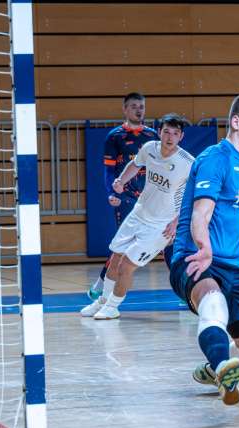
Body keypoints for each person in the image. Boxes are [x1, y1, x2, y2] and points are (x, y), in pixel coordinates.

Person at [169, 94, 239, 405]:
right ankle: (222, 369)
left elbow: (236, 202)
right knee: (213, 303)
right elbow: (201, 213)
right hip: (196, 259)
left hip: (236, 267)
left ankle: (213, 364)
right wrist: (203, 248)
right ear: (235, 122)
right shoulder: (214, 158)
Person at [81, 114, 194, 319]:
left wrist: (177, 222)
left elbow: (194, 197)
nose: (170, 137)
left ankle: (113, 307)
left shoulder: (188, 163)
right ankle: (103, 301)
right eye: (166, 131)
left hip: (161, 225)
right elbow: (135, 164)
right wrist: (121, 180)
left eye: (175, 133)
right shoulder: (149, 148)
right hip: (138, 213)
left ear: (181, 137)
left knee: (127, 264)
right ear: (159, 132)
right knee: (115, 258)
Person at [87, 92, 158, 300]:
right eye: (134, 106)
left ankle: (183, 289)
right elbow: (109, 171)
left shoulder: (153, 136)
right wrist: (111, 192)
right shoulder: (115, 137)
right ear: (125, 109)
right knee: (122, 245)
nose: (139, 110)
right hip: (126, 198)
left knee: (167, 242)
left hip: (151, 199)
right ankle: (102, 286)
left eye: (142, 106)